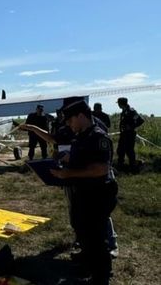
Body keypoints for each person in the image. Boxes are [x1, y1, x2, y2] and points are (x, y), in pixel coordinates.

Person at [50, 99, 118, 285]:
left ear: (80, 116)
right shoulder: (81, 135)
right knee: (82, 231)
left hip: (98, 194)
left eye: (70, 120)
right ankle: (88, 264)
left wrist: (69, 173)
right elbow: (79, 157)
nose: (68, 124)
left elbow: (101, 169)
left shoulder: (98, 137)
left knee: (96, 237)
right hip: (83, 192)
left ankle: (101, 277)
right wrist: (64, 158)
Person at [116, 97, 144, 173]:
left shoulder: (131, 111)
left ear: (121, 103)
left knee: (129, 151)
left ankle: (133, 167)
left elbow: (140, 120)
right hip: (124, 134)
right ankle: (120, 166)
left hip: (129, 134)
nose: (118, 105)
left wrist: (131, 126)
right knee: (120, 150)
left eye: (118, 103)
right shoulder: (124, 111)